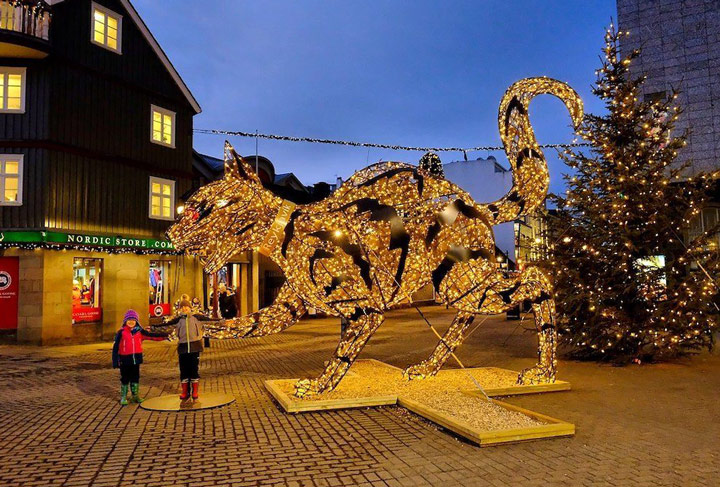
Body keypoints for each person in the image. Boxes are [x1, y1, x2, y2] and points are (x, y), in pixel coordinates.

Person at [112, 309, 169, 405]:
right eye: (129, 320)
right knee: (125, 377)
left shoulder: (140, 332)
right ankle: (124, 396)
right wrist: (115, 360)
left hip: (136, 359)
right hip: (124, 359)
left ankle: (135, 396)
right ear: (125, 321)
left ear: (136, 321)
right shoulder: (121, 332)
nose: (131, 322)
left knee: (135, 377)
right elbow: (115, 347)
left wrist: (165, 335)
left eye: (133, 320)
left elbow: (152, 336)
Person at [161, 299, 215, 400]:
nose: (184, 308)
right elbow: (165, 327)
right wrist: (152, 328)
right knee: (184, 370)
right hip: (183, 347)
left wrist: (224, 322)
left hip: (195, 347)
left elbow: (212, 322)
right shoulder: (178, 320)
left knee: (194, 369)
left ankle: (195, 391)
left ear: (190, 307)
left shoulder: (196, 317)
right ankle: (185, 391)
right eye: (182, 307)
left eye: (186, 306)